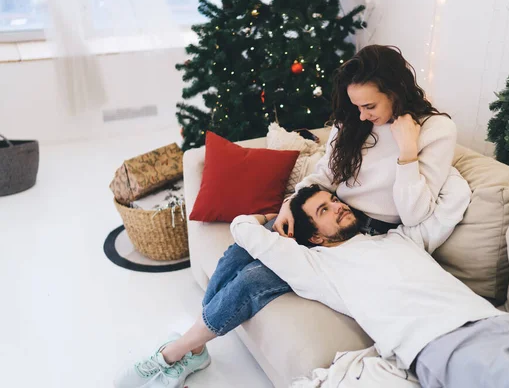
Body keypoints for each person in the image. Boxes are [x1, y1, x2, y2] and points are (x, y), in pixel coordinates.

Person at [114, 45, 471, 387]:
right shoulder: (354, 122)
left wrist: (407, 151)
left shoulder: (436, 131)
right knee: (241, 250)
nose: (361, 114)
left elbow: (414, 213)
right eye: (356, 106)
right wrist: (292, 202)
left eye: (369, 105)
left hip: (361, 235)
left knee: (255, 278)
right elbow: (324, 176)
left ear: (395, 91)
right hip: (321, 209)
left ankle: (174, 354)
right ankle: (194, 346)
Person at [231, 185, 509, 388]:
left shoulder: (400, 239)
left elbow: (453, 198)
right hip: (446, 345)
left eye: (334, 200)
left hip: (503, 323)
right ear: (313, 235)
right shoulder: (317, 267)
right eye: (323, 211)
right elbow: (243, 230)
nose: (338, 207)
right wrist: (277, 213)